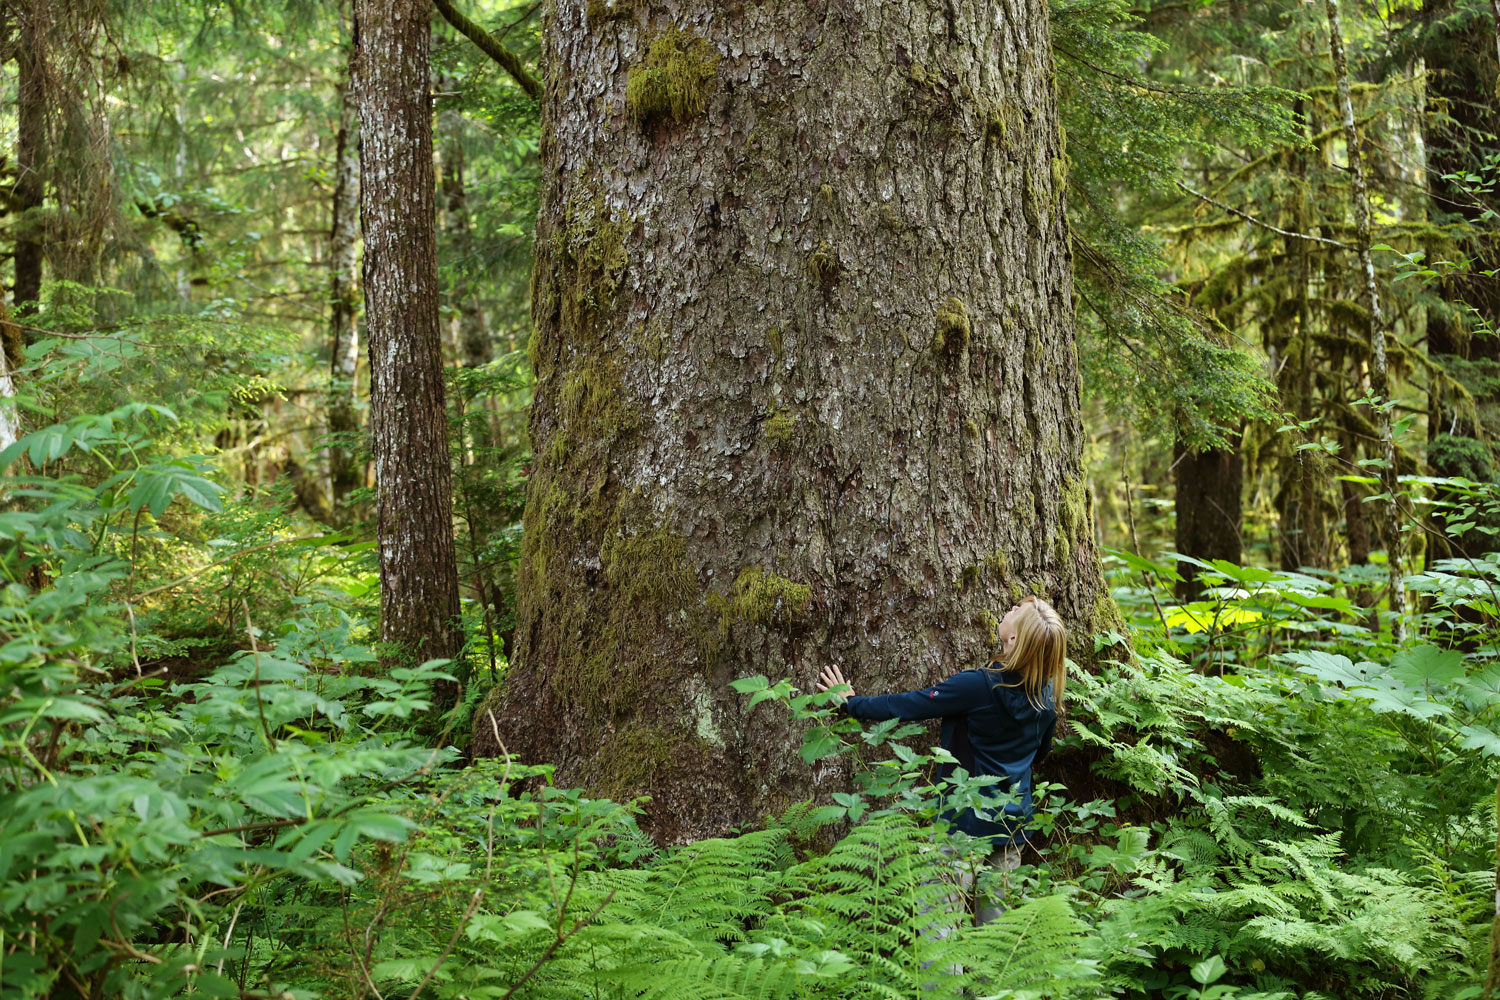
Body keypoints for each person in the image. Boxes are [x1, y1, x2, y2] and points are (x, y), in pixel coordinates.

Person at [816, 595, 1067, 923]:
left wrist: (851, 704)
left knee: (938, 927)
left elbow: (910, 705)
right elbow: (1040, 753)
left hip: (962, 828)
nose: (1011, 608)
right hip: (1011, 828)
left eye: (1016, 611)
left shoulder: (978, 687)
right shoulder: (1046, 697)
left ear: (1014, 638)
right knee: (996, 932)